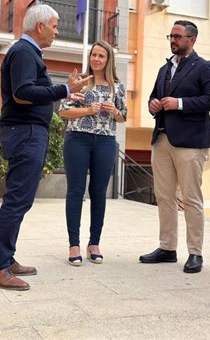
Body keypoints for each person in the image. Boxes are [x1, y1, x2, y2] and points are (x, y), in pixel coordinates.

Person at [0, 4, 91, 291]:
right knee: (18, 199)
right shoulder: (23, 52)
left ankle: (6, 259)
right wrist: (65, 90)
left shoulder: (28, 53)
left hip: (28, 133)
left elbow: (31, 90)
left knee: (21, 199)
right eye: (54, 26)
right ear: (40, 26)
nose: (57, 31)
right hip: (25, 133)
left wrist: (65, 89)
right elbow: (22, 94)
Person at [139, 20, 210, 273]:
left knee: (190, 198)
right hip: (162, 139)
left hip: (190, 142)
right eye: (171, 36)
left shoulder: (205, 67)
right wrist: (153, 104)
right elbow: (154, 95)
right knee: (164, 196)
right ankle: (167, 248)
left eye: (177, 36)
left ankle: (195, 252)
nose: (173, 40)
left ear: (192, 39)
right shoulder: (165, 68)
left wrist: (180, 104)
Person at [59, 41, 127, 266]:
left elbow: (123, 117)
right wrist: (88, 110)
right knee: (75, 191)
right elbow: (63, 112)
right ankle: (74, 245)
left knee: (99, 193)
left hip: (106, 141)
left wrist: (115, 111)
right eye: (93, 55)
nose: (96, 59)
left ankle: (94, 243)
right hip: (77, 139)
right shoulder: (80, 83)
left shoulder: (117, 87)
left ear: (108, 61)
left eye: (101, 56)